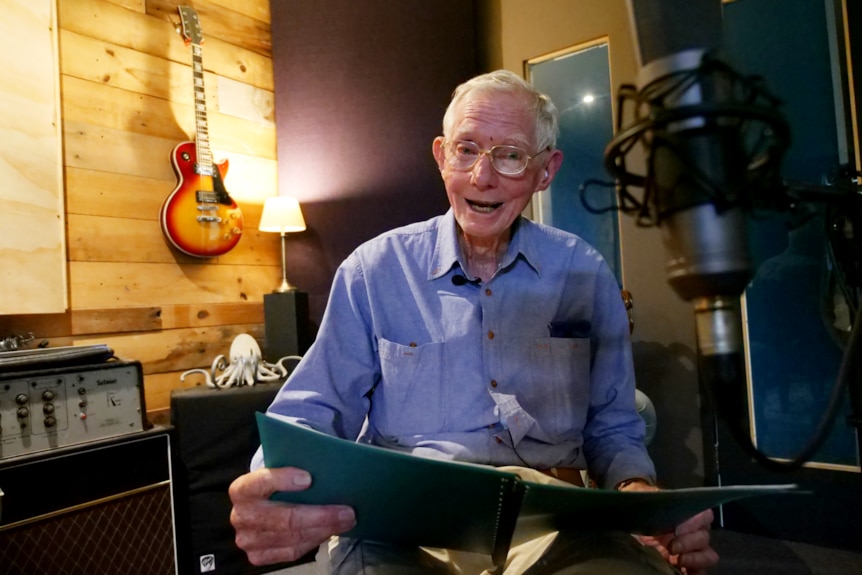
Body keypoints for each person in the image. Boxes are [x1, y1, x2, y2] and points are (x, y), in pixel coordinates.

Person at [229, 70, 718, 575]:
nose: (482, 177)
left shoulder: (584, 274)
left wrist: (639, 497)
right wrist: (270, 483)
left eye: (509, 155)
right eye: (466, 150)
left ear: (545, 171)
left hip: (552, 518)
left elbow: (614, 425)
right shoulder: (373, 271)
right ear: (441, 156)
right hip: (404, 519)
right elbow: (310, 410)